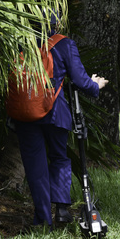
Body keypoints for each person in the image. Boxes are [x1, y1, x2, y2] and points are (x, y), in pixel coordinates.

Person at [12, 20, 108, 227]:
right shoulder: (64, 44)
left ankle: (43, 220)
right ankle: (62, 210)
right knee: (60, 158)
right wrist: (96, 85)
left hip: (25, 114)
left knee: (35, 167)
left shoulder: (18, 42)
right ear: (55, 22)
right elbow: (82, 83)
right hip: (55, 113)